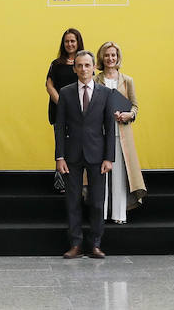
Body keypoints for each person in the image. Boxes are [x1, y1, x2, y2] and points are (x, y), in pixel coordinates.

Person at [54, 50, 115, 259]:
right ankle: (76, 244)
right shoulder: (66, 92)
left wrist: (109, 157)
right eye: (79, 66)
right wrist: (59, 156)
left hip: (98, 155)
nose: (83, 69)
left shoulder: (105, 93)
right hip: (71, 155)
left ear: (93, 67)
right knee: (72, 201)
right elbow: (60, 127)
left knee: (98, 202)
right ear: (74, 69)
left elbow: (110, 127)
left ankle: (96, 244)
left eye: (87, 65)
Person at [95, 41, 146, 223]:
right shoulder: (95, 80)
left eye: (113, 55)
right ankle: (101, 213)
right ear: (102, 57)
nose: (110, 58)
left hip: (121, 133)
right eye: (107, 55)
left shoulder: (127, 80)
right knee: (101, 173)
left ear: (118, 57)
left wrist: (128, 115)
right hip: (100, 133)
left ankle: (118, 214)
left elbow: (135, 106)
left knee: (119, 174)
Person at [45, 28, 84, 194]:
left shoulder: (83, 62)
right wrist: (63, 104)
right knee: (61, 144)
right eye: (67, 41)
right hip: (60, 111)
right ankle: (60, 182)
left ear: (78, 42)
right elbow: (49, 85)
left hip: (81, 112)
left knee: (78, 146)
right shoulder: (56, 64)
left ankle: (79, 181)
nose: (70, 44)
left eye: (73, 41)